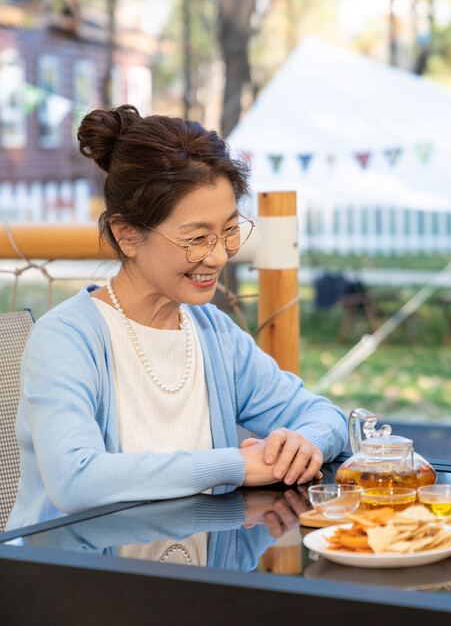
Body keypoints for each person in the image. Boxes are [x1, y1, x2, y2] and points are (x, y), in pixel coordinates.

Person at [7, 104, 347, 530]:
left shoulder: (214, 335)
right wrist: (236, 466)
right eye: (196, 238)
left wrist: (302, 445)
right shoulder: (66, 339)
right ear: (126, 234)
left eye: (228, 231)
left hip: (193, 583)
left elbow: (326, 418)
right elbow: (75, 480)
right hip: (76, 579)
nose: (219, 255)